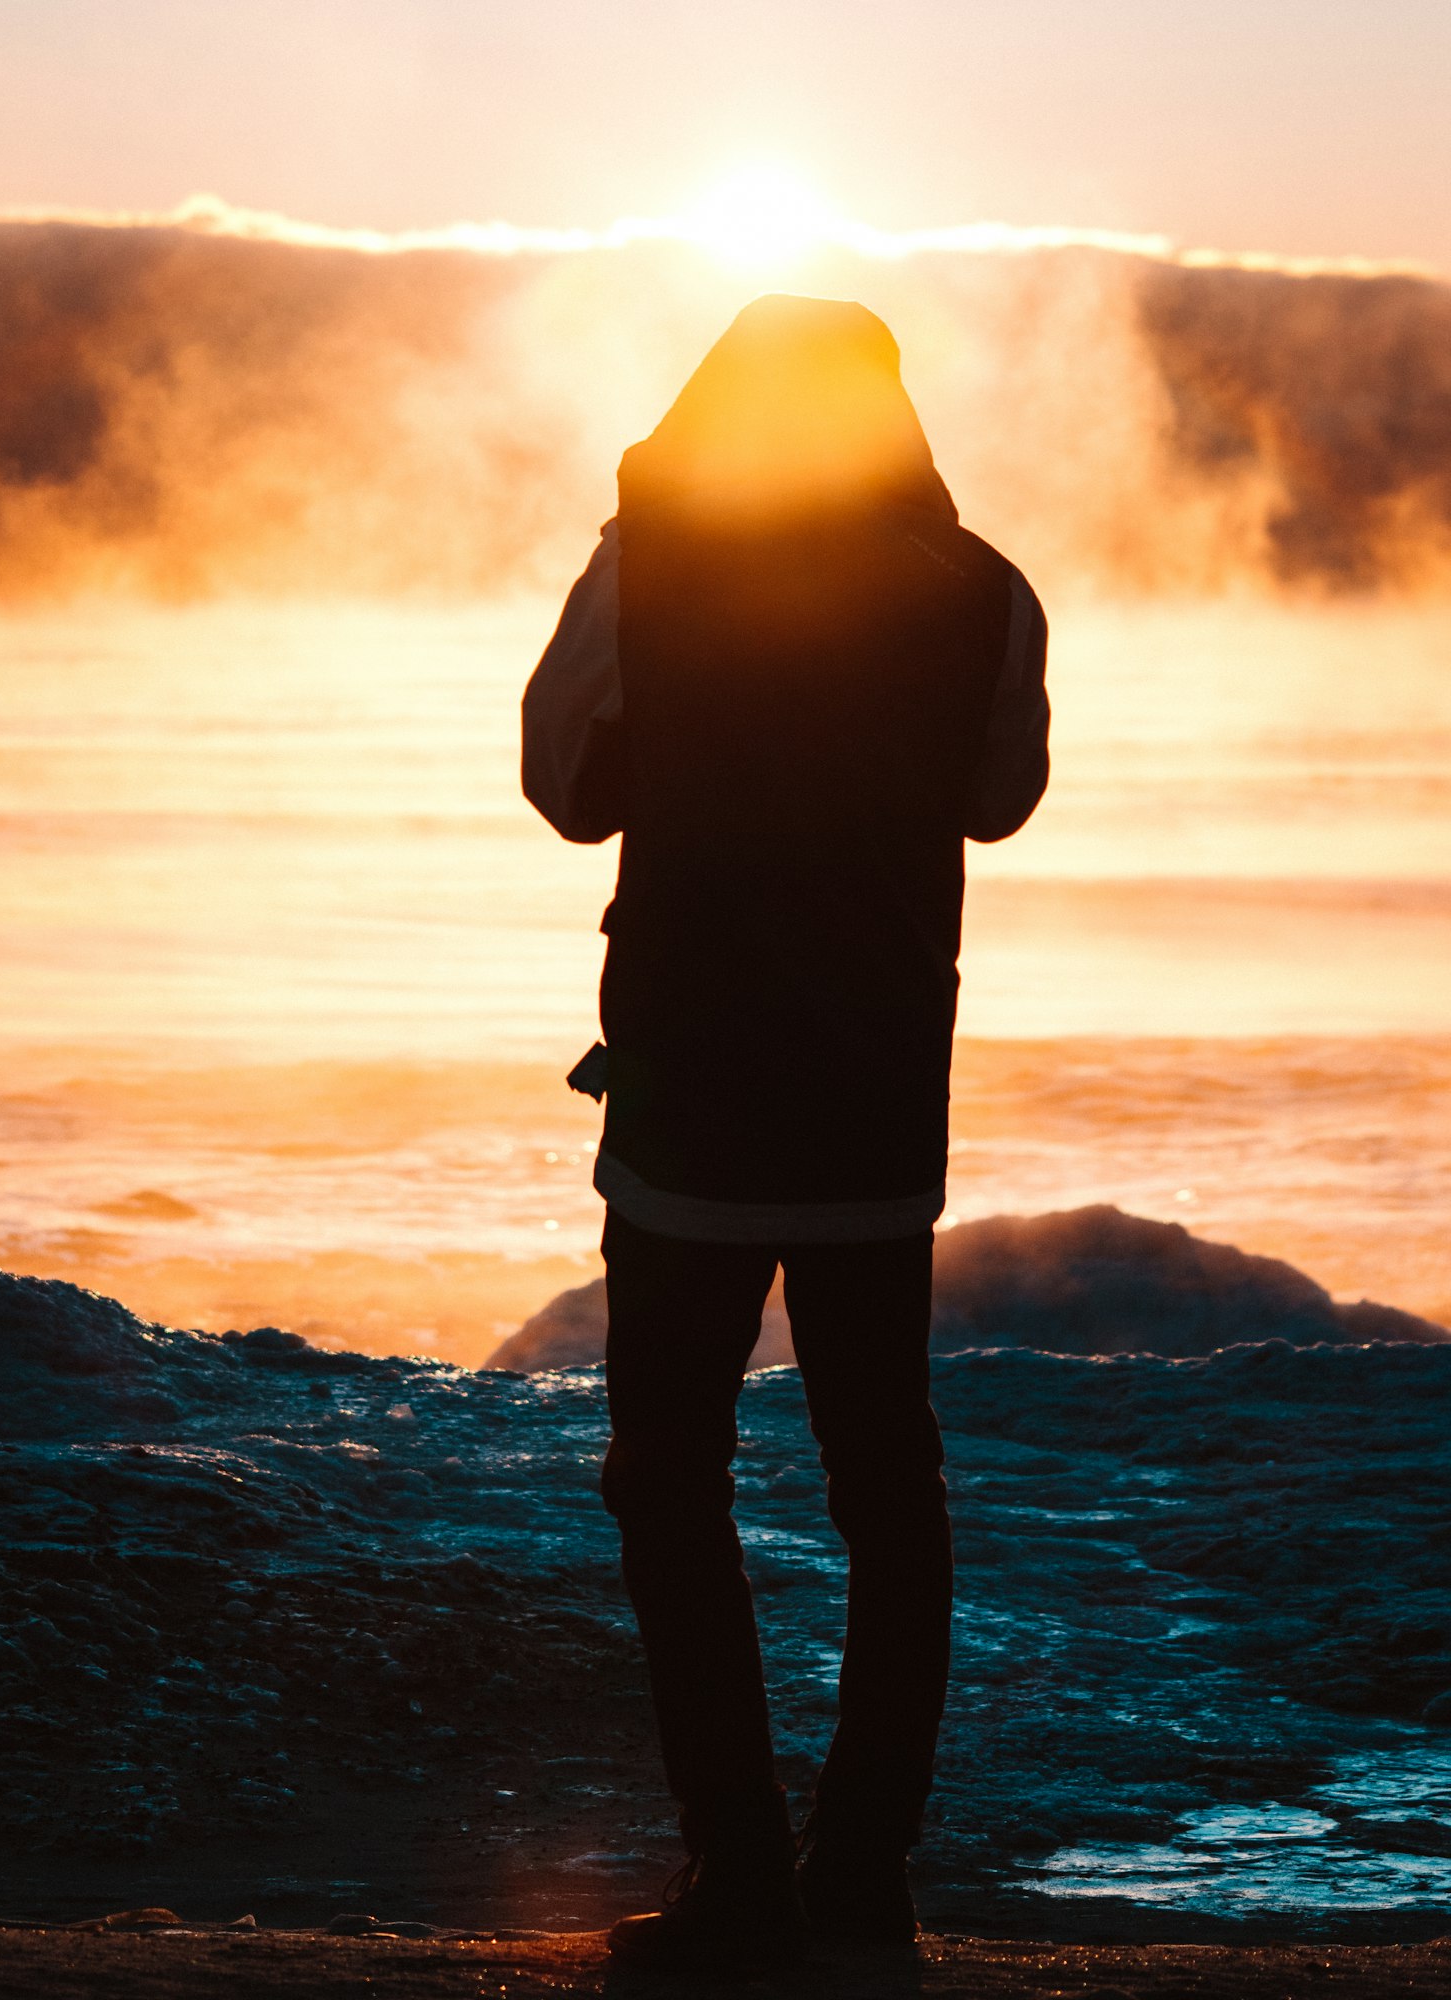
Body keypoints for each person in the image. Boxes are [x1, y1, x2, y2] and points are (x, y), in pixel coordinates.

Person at [521, 294, 1049, 1973]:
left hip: (688, 1108)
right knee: (889, 1493)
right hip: (879, 1119)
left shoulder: (654, 565)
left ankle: (737, 1878)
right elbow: (1000, 797)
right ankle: (865, 1886)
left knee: (670, 1482)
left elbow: (562, 784)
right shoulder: (978, 592)